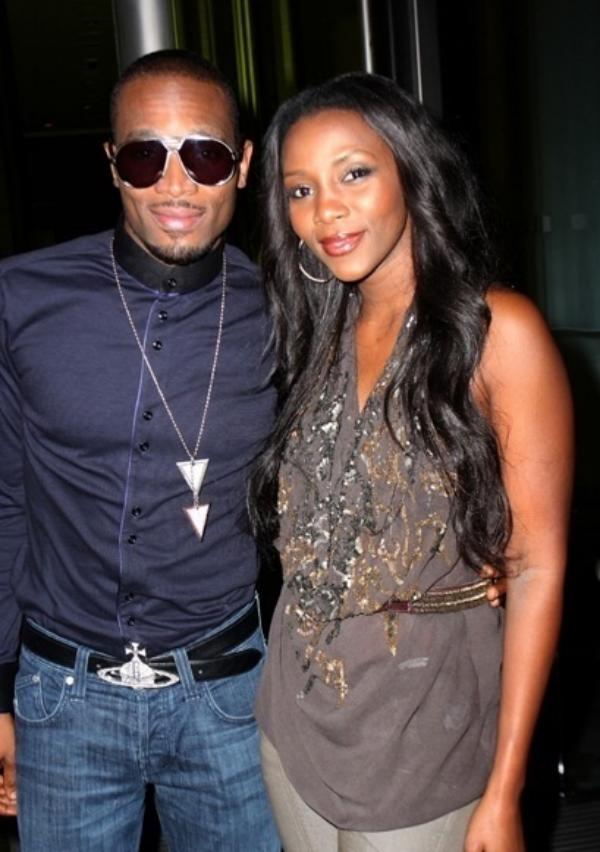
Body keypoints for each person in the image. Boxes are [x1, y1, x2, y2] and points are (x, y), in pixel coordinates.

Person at [251, 72, 573, 851]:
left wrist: (506, 787)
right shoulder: (317, 329)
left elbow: (536, 569)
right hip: (293, 727)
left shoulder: (498, 333)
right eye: (300, 190)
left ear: (411, 171)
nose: (325, 210)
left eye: (354, 173)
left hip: (427, 731)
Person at [0, 49, 280, 851]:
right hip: (61, 700)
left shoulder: (287, 311)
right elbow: (6, 500)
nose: (175, 183)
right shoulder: (21, 298)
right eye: (144, 156)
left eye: (205, 155)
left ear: (243, 164)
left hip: (231, 695)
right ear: (111, 163)